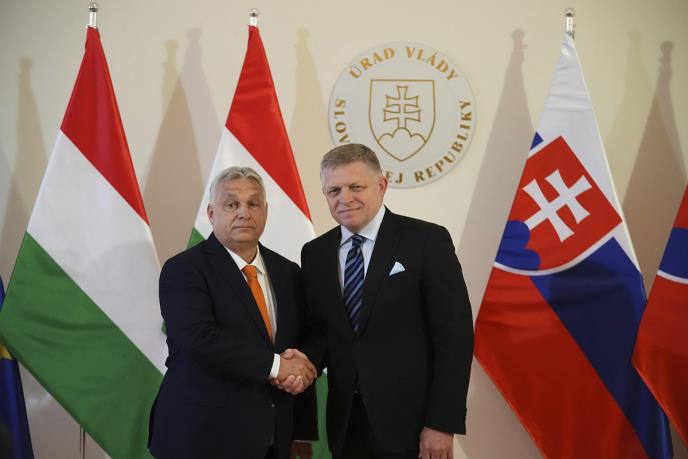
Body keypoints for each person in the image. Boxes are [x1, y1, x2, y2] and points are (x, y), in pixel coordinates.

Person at [290, 144, 473, 459]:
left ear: (381, 186)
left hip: (413, 427)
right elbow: (322, 332)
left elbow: (455, 338)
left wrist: (442, 422)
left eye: (355, 187)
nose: (345, 198)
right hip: (346, 426)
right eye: (334, 190)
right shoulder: (315, 253)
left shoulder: (426, 241)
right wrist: (302, 362)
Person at [148, 166, 317, 459]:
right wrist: (277, 366)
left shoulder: (288, 272)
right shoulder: (184, 270)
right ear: (211, 213)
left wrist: (300, 431)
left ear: (265, 212)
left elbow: (298, 346)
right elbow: (199, 339)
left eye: (253, 204)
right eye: (231, 204)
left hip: (273, 439)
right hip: (202, 437)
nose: (243, 213)